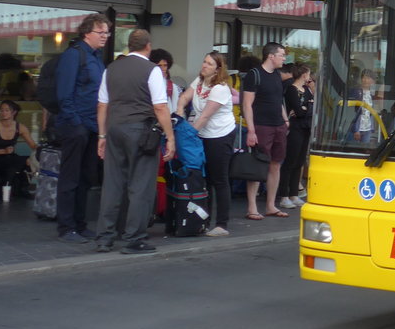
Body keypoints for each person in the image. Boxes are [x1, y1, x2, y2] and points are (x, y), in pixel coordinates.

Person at [93, 28, 175, 254]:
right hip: (141, 131)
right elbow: (160, 107)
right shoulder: (152, 70)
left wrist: (102, 135)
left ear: (129, 46)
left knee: (112, 184)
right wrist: (170, 137)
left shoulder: (111, 68)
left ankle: (105, 237)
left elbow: (102, 105)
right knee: (141, 186)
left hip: (114, 128)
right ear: (148, 46)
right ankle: (134, 238)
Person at [52, 13, 109, 243]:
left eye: (107, 32)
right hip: (76, 127)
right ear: (87, 33)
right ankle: (66, 227)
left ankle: (80, 224)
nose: (105, 36)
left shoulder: (96, 57)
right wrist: (76, 124)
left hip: (92, 126)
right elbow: (64, 94)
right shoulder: (74, 55)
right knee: (70, 178)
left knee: (85, 178)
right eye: (100, 32)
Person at [176, 51, 235, 237]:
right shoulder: (199, 81)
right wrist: (179, 111)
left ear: (217, 69)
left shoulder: (220, 88)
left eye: (209, 64)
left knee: (219, 179)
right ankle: (203, 219)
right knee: (204, 178)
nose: (204, 66)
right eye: (204, 62)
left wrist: (187, 135)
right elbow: (184, 97)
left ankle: (222, 224)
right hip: (202, 134)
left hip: (220, 135)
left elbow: (205, 116)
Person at [242, 42, 289, 220]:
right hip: (261, 125)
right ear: (271, 56)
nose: (284, 58)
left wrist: (285, 120)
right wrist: (251, 130)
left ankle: (270, 205)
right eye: (281, 55)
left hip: (278, 125)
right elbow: (247, 104)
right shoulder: (254, 75)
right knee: (258, 165)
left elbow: (278, 100)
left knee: (276, 164)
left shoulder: (276, 75)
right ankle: (252, 207)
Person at [0, 100, 36, 197]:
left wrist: (40, 151)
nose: (3, 113)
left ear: (14, 112)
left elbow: (32, 145)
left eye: (6, 110)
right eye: (2, 110)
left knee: (26, 161)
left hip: (9, 157)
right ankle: (9, 189)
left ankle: (22, 188)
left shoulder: (20, 127)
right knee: (16, 162)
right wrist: (3, 151)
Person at [280, 63, 313, 209]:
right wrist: (306, 108)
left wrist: (305, 108)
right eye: (309, 74)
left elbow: (311, 107)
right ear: (304, 75)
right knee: (290, 161)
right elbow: (299, 111)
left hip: (306, 128)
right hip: (295, 128)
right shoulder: (291, 90)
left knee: (299, 161)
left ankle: (294, 194)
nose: (309, 77)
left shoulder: (307, 89)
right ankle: (284, 195)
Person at [149, 48, 183, 113]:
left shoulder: (171, 86)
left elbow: (175, 108)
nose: (163, 68)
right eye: (159, 66)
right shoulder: (148, 83)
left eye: (165, 65)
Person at [350, 68, 377, 144]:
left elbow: (371, 112)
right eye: (364, 78)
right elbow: (353, 112)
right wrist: (356, 130)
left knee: (365, 149)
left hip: (367, 129)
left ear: (372, 81)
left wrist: (372, 128)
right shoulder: (356, 92)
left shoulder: (371, 94)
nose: (365, 80)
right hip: (357, 129)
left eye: (368, 78)